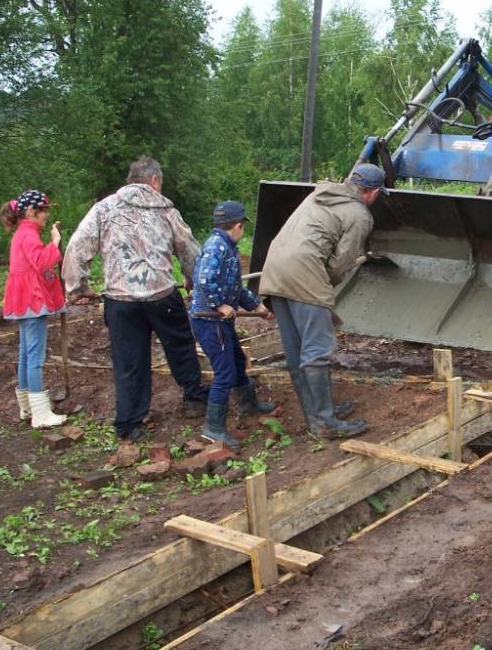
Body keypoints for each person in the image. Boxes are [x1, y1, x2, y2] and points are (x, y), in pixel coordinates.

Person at [62, 157, 209, 443]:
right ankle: (194, 397)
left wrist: (78, 286)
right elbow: (189, 248)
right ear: (154, 180)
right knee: (179, 345)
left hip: (120, 300)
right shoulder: (165, 208)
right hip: (161, 294)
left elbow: (77, 246)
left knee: (129, 360)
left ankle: (129, 423)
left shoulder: (103, 209)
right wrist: (192, 278)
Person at [259, 164, 388, 439]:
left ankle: (316, 415)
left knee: (296, 352)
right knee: (317, 350)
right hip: (304, 272)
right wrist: (322, 285)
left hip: (274, 272)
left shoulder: (321, 193)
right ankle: (325, 424)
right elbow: (339, 266)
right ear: (372, 193)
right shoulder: (359, 214)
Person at [189, 201, 275, 447]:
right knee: (224, 373)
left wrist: (256, 305)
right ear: (237, 226)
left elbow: (234, 287)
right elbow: (204, 280)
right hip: (209, 320)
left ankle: (249, 405)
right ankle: (213, 428)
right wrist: (219, 305)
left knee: (237, 362)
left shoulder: (227, 246)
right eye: (242, 227)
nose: (242, 231)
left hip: (219, 321)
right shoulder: (216, 247)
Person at [0, 190, 67, 428]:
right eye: (44, 210)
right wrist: (56, 242)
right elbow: (41, 262)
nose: (47, 215)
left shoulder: (23, 233)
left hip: (23, 299)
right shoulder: (28, 234)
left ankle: (27, 407)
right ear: (31, 212)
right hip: (32, 301)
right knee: (35, 357)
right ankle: (40, 414)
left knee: (26, 354)